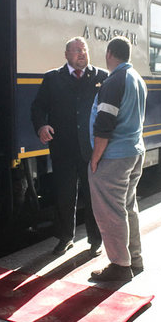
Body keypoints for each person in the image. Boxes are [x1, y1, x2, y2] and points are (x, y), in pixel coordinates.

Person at [31, 37, 108, 255]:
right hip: (62, 148)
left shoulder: (102, 77)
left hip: (91, 149)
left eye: (83, 50)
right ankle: (65, 237)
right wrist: (41, 126)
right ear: (66, 55)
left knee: (93, 195)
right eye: (75, 50)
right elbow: (37, 108)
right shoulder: (52, 78)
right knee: (64, 195)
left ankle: (95, 240)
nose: (81, 53)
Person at [87, 36, 147, 282]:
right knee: (127, 207)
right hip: (134, 151)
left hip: (114, 156)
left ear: (110, 53)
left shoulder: (114, 81)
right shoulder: (136, 78)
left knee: (110, 211)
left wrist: (95, 157)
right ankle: (134, 259)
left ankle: (120, 266)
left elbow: (104, 125)